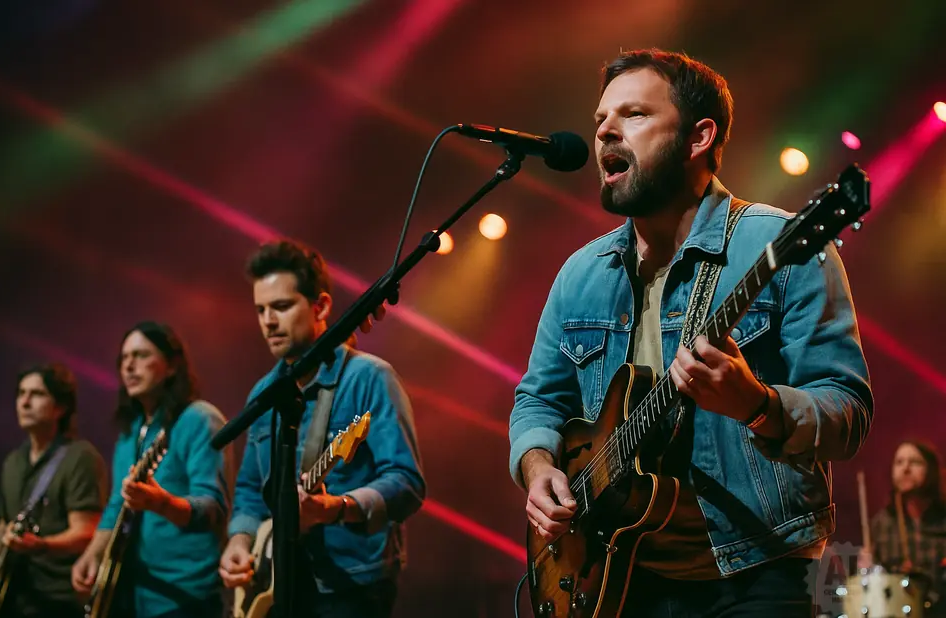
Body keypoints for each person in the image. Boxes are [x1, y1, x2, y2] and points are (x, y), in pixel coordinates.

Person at [508, 48, 874, 617]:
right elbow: (538, 400)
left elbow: (847, 412)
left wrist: (757, 404)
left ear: (699, 137)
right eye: (600, 120)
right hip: (625, 572)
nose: (605, 132)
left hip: (759, 568)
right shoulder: (579, 274)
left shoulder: (780, 247)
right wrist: (539, 467)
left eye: (632, 115)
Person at [218, 240, 425, 618]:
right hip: (279, 582)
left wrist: (337, 508)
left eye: (281, 306)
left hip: (352, 585)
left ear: (322, 306)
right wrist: (240, 539)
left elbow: (407, 482)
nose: (268, 321)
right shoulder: (264, 393)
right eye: (261, 309)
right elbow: (250, 488)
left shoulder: (369, 377)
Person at [71, 321, 232, 618]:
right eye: (124, 358)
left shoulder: (199, 419)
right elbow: (117, 505)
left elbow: (213, 508)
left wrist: (161, 502)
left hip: (187, 595)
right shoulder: (130, 433)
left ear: (171, 366)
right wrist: (92, 554)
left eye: (141, 355)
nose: (129, 366)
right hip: (136, 594)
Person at [0, 363, 108, 618]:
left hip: (60, 602)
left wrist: (41, 546)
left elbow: (87, 532)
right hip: (18, 599)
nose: (24, 402)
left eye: (37, 394)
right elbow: (5, 524)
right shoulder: (13, 461)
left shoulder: (80, 457)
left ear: (60, 407)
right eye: (21, 393)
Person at [862, 441, 946, 614]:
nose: (905, 468)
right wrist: (867, 569)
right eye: (899, 462)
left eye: (915, 462)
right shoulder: (881, 523)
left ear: (931, 470)